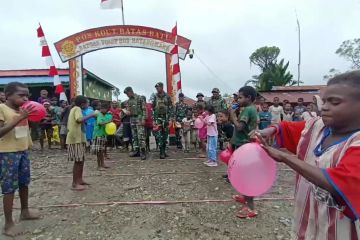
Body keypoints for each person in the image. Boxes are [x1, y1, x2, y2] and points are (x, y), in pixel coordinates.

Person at [256, 70, 360, 239]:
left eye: (334, 102)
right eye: (324, 101)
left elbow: (340, 184)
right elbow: (287, 128)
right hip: (307, 223)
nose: (324, 107)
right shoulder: (317, 127)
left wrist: (285, 157)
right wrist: (271, 130)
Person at [0, 82, 40, 237]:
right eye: (21, 95)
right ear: (8, 95)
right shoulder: (2, 109)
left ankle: (25, 211)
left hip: (22, 152)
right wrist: (19, 118)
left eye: (27, 95)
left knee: (24, 183)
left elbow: (24, 130)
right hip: (7, 154)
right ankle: (8, 223)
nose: (25, 98)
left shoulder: (23, 110)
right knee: (9, 188)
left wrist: (29, 145)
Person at [230, 86, 259, 218]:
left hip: (244, 146)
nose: (238, 99)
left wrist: (232, 116)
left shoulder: (248, 109)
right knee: (242, 175)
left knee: (246, 177)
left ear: (248, 98)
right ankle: (244, 197)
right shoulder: (249, 109)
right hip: (243, 145)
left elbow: (240, 127)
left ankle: (251, 208)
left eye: (240, 97)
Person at [66, 95, 96, 191]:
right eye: (87, 103)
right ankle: (75, 183)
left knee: (81, 160)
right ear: (83, 104)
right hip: (75, 139)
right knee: (78, 161)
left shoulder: (76, 109)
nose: (88, 105)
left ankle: (79, 180)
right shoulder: (77, 109)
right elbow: (79, 120)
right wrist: (91, 115)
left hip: (79, 138)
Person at [150, 82, 174, 159]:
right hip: (158, 119)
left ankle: (163, 150)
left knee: (165, 135)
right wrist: (153, 119)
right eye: (156, 88)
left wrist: (171, 119)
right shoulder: (154, 96)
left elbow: (171, 108)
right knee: (159, 135)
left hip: (166, 118)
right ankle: (161, 152)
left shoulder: (167, 96)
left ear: (162, 87)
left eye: (158, 87)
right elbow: (152, 108)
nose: (157, 89)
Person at [124, 87, 147, 160]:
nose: (127, 95)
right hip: (132, 119)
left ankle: (143, 152)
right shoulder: (128, 101)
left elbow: (144, 109)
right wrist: (127, 112)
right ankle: (136, 151)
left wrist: (144, 119)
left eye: (127, 94)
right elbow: (128, 109)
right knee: (134, 136)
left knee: (141, 136)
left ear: (130, 91)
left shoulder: (139, 98)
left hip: (139, 118)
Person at [92, 102, 112, 170]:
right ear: (103, 109)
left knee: (101, 150)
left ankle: (102, 164)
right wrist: (108, 122)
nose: (107, 111)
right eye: (106, 109)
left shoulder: (104, 115)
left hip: (102, 135)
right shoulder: (100, 114)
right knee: (99, 151)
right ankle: (99, 166)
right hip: (98, 135)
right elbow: (100, 123)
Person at [218, 110, 234, 183]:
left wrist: (229, 144)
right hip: (228, 144)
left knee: (232, 161)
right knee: (228, 161)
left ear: (227, 117)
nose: (219, 118)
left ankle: (232, 177)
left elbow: (232, 137)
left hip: (232, 145)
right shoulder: (223, 125)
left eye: (221, 116)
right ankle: (229, 174)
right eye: (218, 116)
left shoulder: (228, 126)